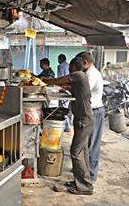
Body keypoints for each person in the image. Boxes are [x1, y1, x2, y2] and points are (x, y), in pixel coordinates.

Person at [44, 57, 94, 195]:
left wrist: (46, 81)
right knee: (82, 152)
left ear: (72, 66)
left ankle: (85, 187)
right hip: (83, 119)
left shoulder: (78, 75)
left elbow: (59, 80)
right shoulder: (80, 78)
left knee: (75, 152)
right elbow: (67, 86)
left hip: (84, 119)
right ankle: (82, 181)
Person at [76, 51, 104, 183]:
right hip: (90, 111)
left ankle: (91, 175)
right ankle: (85, 172)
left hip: (95, 111)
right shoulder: (87, 73)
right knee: (85, 145)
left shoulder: (91, 74)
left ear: (85, 62)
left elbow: (84, 89)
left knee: (92, 145)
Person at [57, 54, 71, 132]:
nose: (58, 60)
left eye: (58, 59)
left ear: (61, 59)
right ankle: (66, 125)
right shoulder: (68, 65)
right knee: (65, 107)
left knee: (62, 108)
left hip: (63, 87)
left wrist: (61, 87)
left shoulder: (61, 66)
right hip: (68, 88)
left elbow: (61, 78)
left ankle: (66, 126)